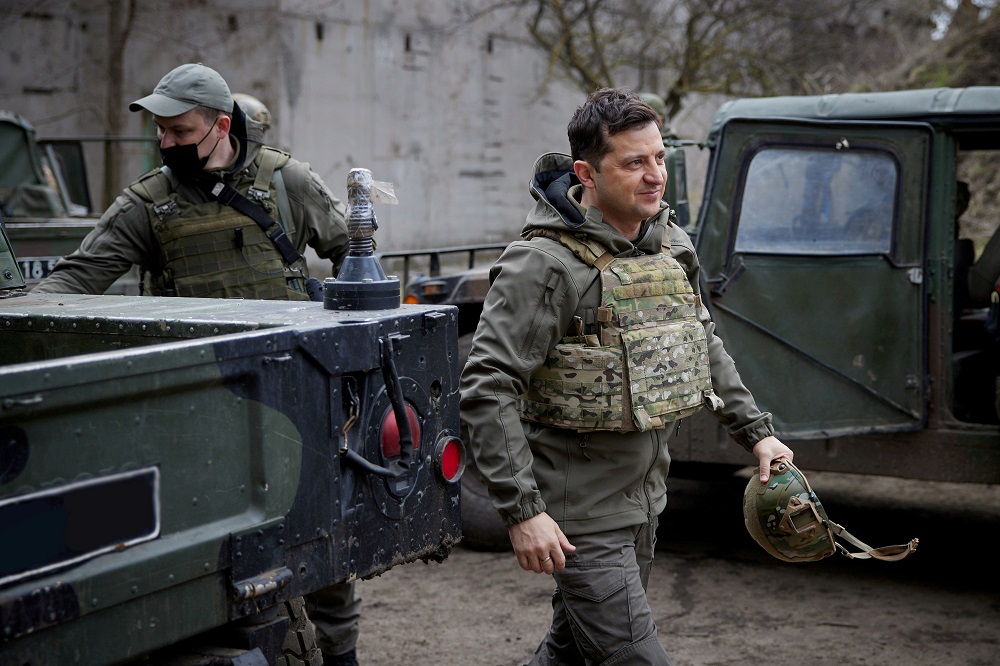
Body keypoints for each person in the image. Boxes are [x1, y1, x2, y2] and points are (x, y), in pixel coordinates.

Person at [34, 63, 362, 666]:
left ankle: (342, 657)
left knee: (327, 554)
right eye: (159, 132)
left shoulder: (288, 181)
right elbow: (76, 280)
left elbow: (354, 257)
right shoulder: (148, 204)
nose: (165, 144)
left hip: (295, 396)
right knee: (208, 557)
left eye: (179, 132)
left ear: (219, 125)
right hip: (200, 407)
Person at [460, 88, 794, 665]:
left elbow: (701, 341)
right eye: (634, 162)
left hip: (644, 499)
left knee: (570, 653)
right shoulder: (543, 264)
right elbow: (489, 385)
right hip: (579, 515)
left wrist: (755, 431)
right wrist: (522, 510)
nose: (654, 175)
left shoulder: (669, 244)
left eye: (659, 158)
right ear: (587, 173)